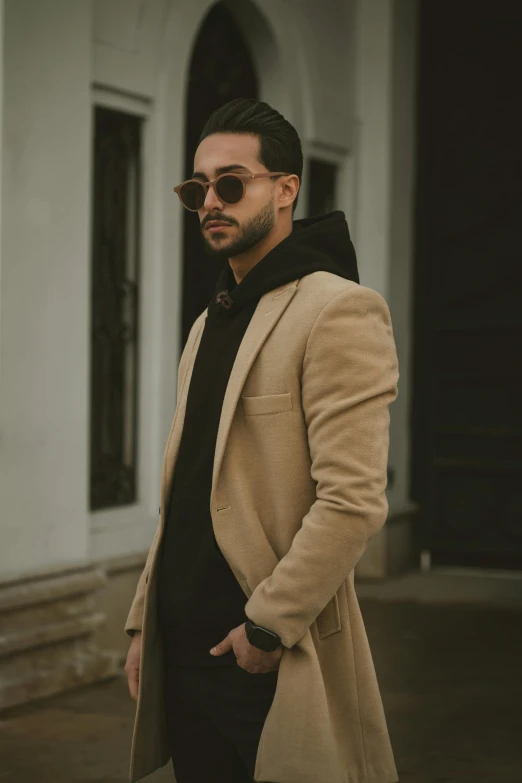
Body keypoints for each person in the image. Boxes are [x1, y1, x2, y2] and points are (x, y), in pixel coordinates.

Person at [124, 98, 399, 783]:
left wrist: (267, 627)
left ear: (284, 190)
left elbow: (353, 499)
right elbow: (185, 487)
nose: (209, 202)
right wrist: (143, 622)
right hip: (185, 651)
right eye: (198, 188)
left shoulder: (338, 310)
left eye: (230, 182)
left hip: (267, 653)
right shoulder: (208, 321)